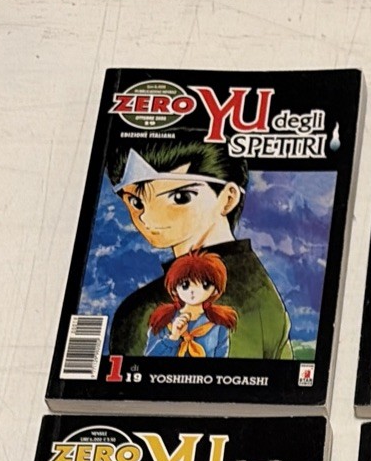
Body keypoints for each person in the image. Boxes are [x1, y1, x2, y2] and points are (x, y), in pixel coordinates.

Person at [105, 140, 290, 361]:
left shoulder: (147, 309)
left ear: (228, 198)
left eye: (180, 197)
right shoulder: (264, 291)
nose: (147, 217)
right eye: (136, 202)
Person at [144, 251, 238, 357]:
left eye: (205, 285)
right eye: (185, 285)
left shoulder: (218, 325)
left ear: (215, 291)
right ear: (174, 289)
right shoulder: (163, 320)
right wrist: (173, 337)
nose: (193, 291)